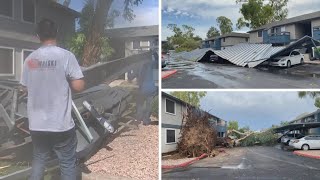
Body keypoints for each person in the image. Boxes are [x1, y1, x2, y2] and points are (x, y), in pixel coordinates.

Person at [20, 19, 85, 180]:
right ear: (56, 33)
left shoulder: (31, 60)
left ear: (37, 36)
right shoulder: (66, 56)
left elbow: (24, 87)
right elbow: (78, 86)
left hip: (37, 124)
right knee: (67, 162)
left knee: (39, 159)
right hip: (60, 124)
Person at [135, 50, 158, 125]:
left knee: (139, 104)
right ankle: (146, 120)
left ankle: (138, 119)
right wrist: (154, 53)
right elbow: (157, 60)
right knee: (149, 105)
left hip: (141, 89)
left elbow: (133, 75)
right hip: (151, 89)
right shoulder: (154, 63)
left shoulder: (139, 64)